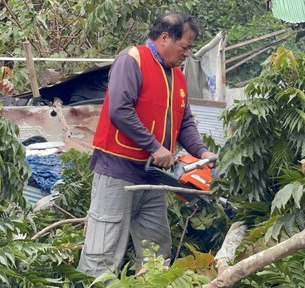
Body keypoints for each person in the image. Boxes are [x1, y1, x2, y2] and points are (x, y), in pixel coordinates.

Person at [77, 12, 218, 277]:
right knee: (102, 253)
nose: (187, 53)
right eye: (185, 46)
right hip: (118, 171)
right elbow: (120, 110)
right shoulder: (132, 60)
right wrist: (155, 147)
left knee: (156, 253)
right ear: (165, 37)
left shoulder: (178, 76)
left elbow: (184, 122)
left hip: (153, 176)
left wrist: (202, 151)